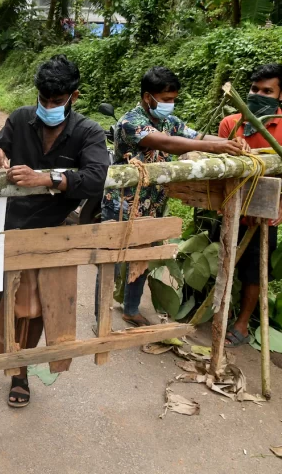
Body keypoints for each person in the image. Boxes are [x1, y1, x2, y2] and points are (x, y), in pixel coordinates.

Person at [0, 54, 110, 407]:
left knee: (32, 307)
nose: (49, 107)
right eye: (44, 100)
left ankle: (19, 372)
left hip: (51, 232)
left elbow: (96, 178)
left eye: (57, 101)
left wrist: (47, 178)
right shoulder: (21, 119)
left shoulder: (88, 132)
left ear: (73, 97)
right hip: (6, 224)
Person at [99, 67, 244, 327]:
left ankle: (131, 309)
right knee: (111, 261)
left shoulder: (170, 121)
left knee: (142, 258)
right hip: (123, 205)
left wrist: (231, 142)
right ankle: (101, 313)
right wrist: (215, 146)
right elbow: (167, 144)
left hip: (153, 203)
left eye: (173, 99)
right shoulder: (129, 122)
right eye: (165, 99)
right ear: (147, 97)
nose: (170, 104)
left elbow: (194, 136)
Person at [218, 63, 282, 347]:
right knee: (222, 259)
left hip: (264, 213)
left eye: (268, 91)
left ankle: (242, 324)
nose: (259, 94)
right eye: (255, 89)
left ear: (280, 96)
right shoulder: (231, 124)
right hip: (229, 207)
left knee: (256, 269)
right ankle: (218, 310)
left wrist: (280, 207)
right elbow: (217, 169)